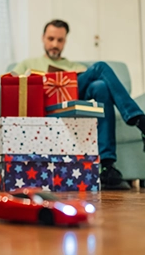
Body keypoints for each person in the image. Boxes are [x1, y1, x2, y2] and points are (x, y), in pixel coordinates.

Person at [13, 19, 145, 190]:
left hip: (70, 102)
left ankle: (106, 167)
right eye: (51, 39)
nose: (55, 44)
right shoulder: (28, 63)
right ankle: (138, 120)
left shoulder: (74, 66)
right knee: (100, 68)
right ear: (43, 38)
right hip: (45, 105)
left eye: (60, 40)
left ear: (65, 41)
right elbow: (12, 84)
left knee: (101, 87)